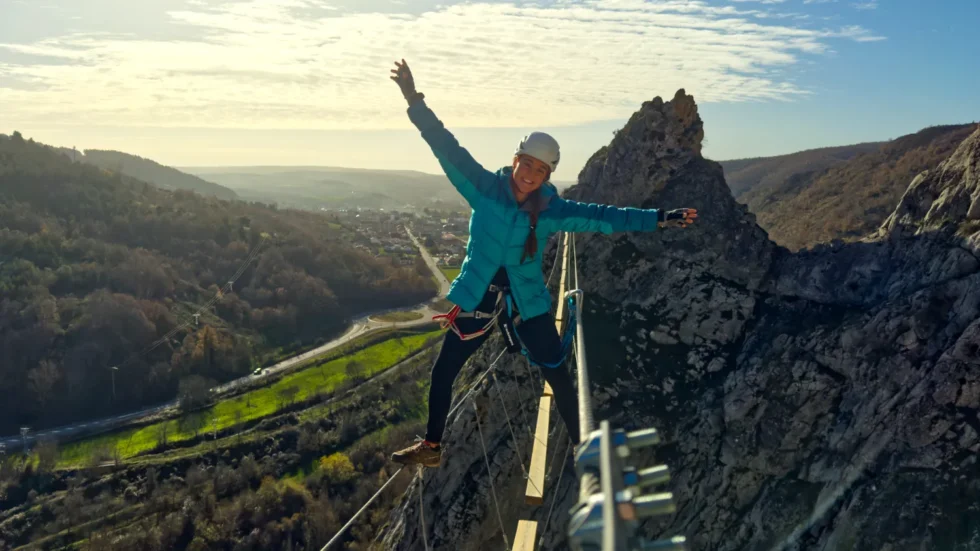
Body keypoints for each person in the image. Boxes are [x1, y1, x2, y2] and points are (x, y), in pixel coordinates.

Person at [388, 59, 698, 468]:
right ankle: (432, 447)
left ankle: (580, 448)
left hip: (527, 304)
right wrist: (414, 99)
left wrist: (658, 218)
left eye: (541, 169)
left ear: (548, 174)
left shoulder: (551, 209)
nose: (530, 175)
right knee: (444, 370)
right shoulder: (483, 188)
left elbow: (605, 217)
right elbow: (444, 145)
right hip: (478, 298)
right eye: (526, 163)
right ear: (515, 159)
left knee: (557, 373)